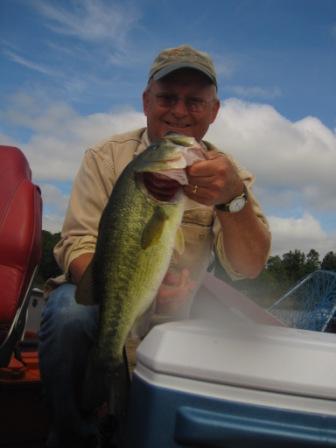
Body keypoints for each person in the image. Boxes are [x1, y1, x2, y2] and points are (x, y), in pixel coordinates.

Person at [39, 45, 271, 447]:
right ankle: (72, 435)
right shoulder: (105, 157)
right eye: (167, 97)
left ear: (214, 111)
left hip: (180, 312)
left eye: (195, 101)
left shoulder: (230, 176)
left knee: (238, 341)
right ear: (146, 101)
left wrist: (233, 201)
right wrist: (127, 286)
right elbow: (77, 242)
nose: (179, 111)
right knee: (67, 317)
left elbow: (248, 267)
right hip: (104, 298)